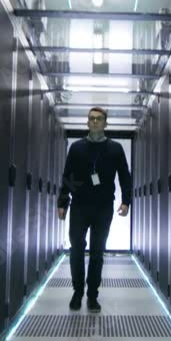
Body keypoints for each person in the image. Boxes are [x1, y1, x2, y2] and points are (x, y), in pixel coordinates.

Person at [57, 107, 131, 313]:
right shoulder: (77, 148)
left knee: (97, 252)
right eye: (91, 118)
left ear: (105, 123)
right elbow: (68, 177)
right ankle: (77, 292)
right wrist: (62, 202)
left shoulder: (115, 148)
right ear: (87, 122)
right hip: (80, 205)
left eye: (99, 119)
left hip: (103, 207)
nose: (95, 122)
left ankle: (92, 296)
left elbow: (125, 176)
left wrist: (126, 201)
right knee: (77, 250)